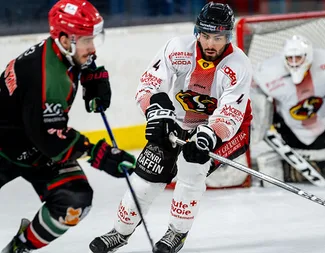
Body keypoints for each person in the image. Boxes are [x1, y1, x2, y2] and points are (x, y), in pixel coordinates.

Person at [89, 2, 252, 253]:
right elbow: (148, 86)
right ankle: (119, 233)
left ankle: (177, 233)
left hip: (226, 128)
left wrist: (208, 136)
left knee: (192, 169)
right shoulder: (178, 48)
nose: (210, 44)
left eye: (218, 37)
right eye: (205, 35)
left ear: (228, 36)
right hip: (176, 121)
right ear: (197, 31)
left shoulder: (238, 65)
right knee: (146, 178)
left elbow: (230, 113)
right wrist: (156, 114)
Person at [0, 0, 136, 252]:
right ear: (64, 39)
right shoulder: (48, 79)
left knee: (74, 201)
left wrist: (90, 74)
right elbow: (51, 140)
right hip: (9, 149)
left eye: (93, 38)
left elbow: (45, 136)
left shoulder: (59, 52)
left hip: (33, 147)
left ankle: (19, 247)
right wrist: (100, 155)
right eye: (85, 40)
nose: (92, 47)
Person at [250, 35, 325, 183]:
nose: (294, 63)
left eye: (298, 58)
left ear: (308, 56)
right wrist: (258, 117)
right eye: (290, 58)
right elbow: (253, 89)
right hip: (289, 126)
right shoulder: (267, 71)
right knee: (317, 153)